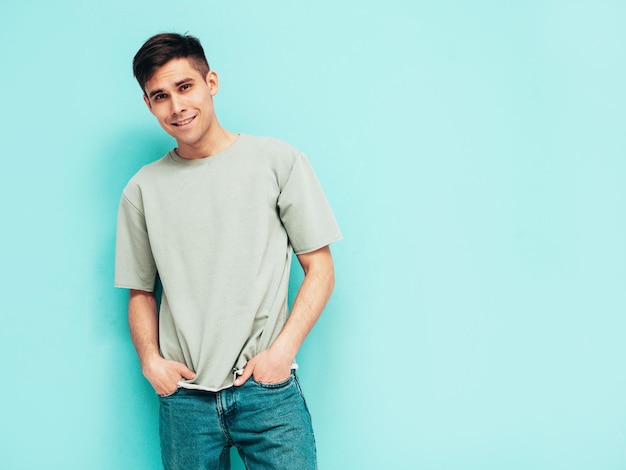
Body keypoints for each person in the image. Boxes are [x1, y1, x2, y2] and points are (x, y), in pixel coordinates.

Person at [114, 33, 342, 469]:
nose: (176, 107)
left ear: (211, 82)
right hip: (185, 401)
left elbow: (321, 268)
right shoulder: (141, 190)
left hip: (268, 394)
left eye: (185, 87)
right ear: (148, 104)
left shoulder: (278, 161)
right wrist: (151, 363)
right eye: (160, 96)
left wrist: (281, 353)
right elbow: (140, 290)